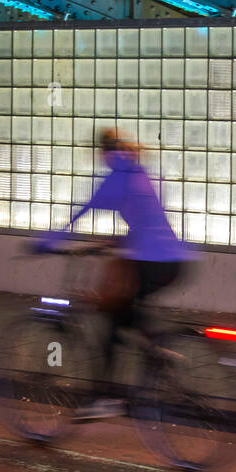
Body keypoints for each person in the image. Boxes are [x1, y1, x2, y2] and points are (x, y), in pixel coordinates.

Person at [35, 128, 196, 418]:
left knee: (112, 317)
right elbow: (149, 219)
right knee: (126, 313)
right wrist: (112, 242)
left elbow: (81, 210)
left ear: (105, 152)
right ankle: (161, 352)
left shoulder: (117, 175)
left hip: (153, 262)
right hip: (172, 260)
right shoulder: (139, 171)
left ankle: (106, 397)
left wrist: (47, 242)